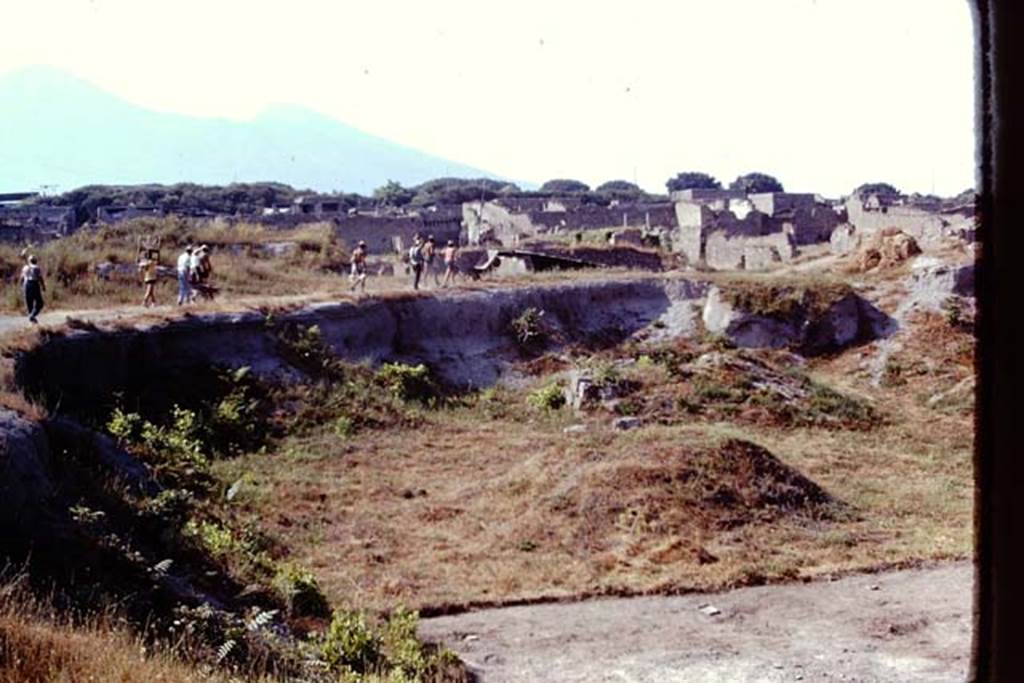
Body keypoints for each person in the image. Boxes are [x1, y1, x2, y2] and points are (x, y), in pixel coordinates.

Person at [21, 254, 45, 323]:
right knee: (40, 303)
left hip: (26, 285)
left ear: (29, 261)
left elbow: (22, 278)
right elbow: (40, 278)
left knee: (29, 304)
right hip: (34, 284)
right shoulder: (37, 268)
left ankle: (32, 320)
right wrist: (43, 286)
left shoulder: (25, 267)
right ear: (35, 261)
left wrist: (22, 286)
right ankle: (32, 316)